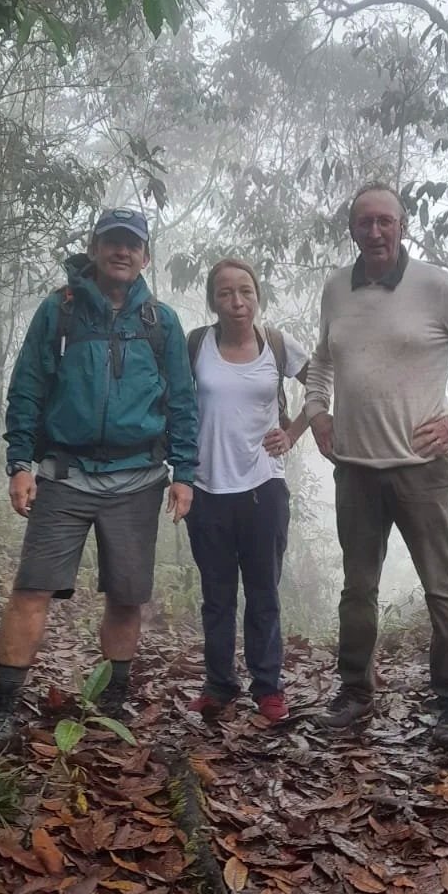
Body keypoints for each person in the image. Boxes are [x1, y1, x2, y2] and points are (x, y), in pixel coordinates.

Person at [303, 184, 448, 745]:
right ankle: (355, 692)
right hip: (354, 467)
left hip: (419, 470)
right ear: (351, 229)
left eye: (385, 221)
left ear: (402, 225)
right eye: (363, 223)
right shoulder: (336, 288)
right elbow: (321, 361)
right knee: (357, 590)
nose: (375, 232)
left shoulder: (434, 287)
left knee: (440, 589)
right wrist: (316, 410)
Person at [0, 208, 198, 751]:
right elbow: (27, 386)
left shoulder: (160, 321)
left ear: (146, 256)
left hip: (139, 478)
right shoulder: (61, 310)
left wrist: (185, 472)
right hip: (64, 474)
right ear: (95, 247)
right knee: (31, 590)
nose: (122, 252)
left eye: (133, 245)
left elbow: (183, 402)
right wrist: (20, 464)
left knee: (126, 597)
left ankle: (112, 701)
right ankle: (1, 711)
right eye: (113, 242)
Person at [184, 259, 311, 724]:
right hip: (206, 487)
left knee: (263, 592)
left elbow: (319, 380)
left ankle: (268, 687)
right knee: (216, 594)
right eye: (224, 293)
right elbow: (173, 402)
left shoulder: (275, 344)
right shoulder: (196, 346)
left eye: (245, 291)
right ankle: (218, 685)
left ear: (258, 296)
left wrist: (293, 432)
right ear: (212, 301)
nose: (236, 302)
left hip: (264, 488)